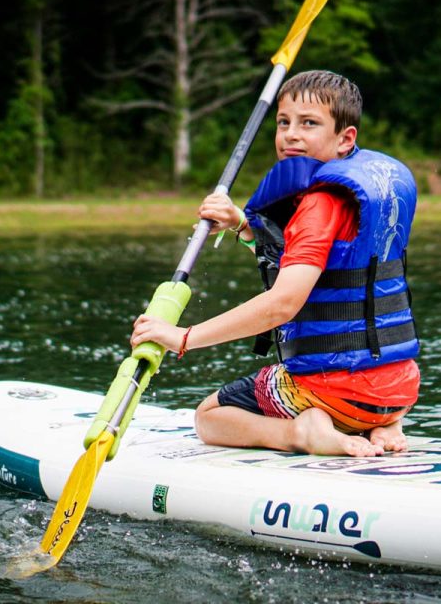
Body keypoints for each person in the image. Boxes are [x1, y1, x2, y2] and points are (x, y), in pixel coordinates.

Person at [130, 70, 420, 458]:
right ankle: (383, 424)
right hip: (398, 388)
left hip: (332, 390)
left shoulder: (318, 206)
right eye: (284, 122)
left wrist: (183, 337)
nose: (291, 134)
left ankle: (303, 433)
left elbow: (283, 303)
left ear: (345, 139)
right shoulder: (367, 191)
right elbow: (323, 273)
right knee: (363, 377)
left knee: (211, 416)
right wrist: (242, 227)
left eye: (309, 124)